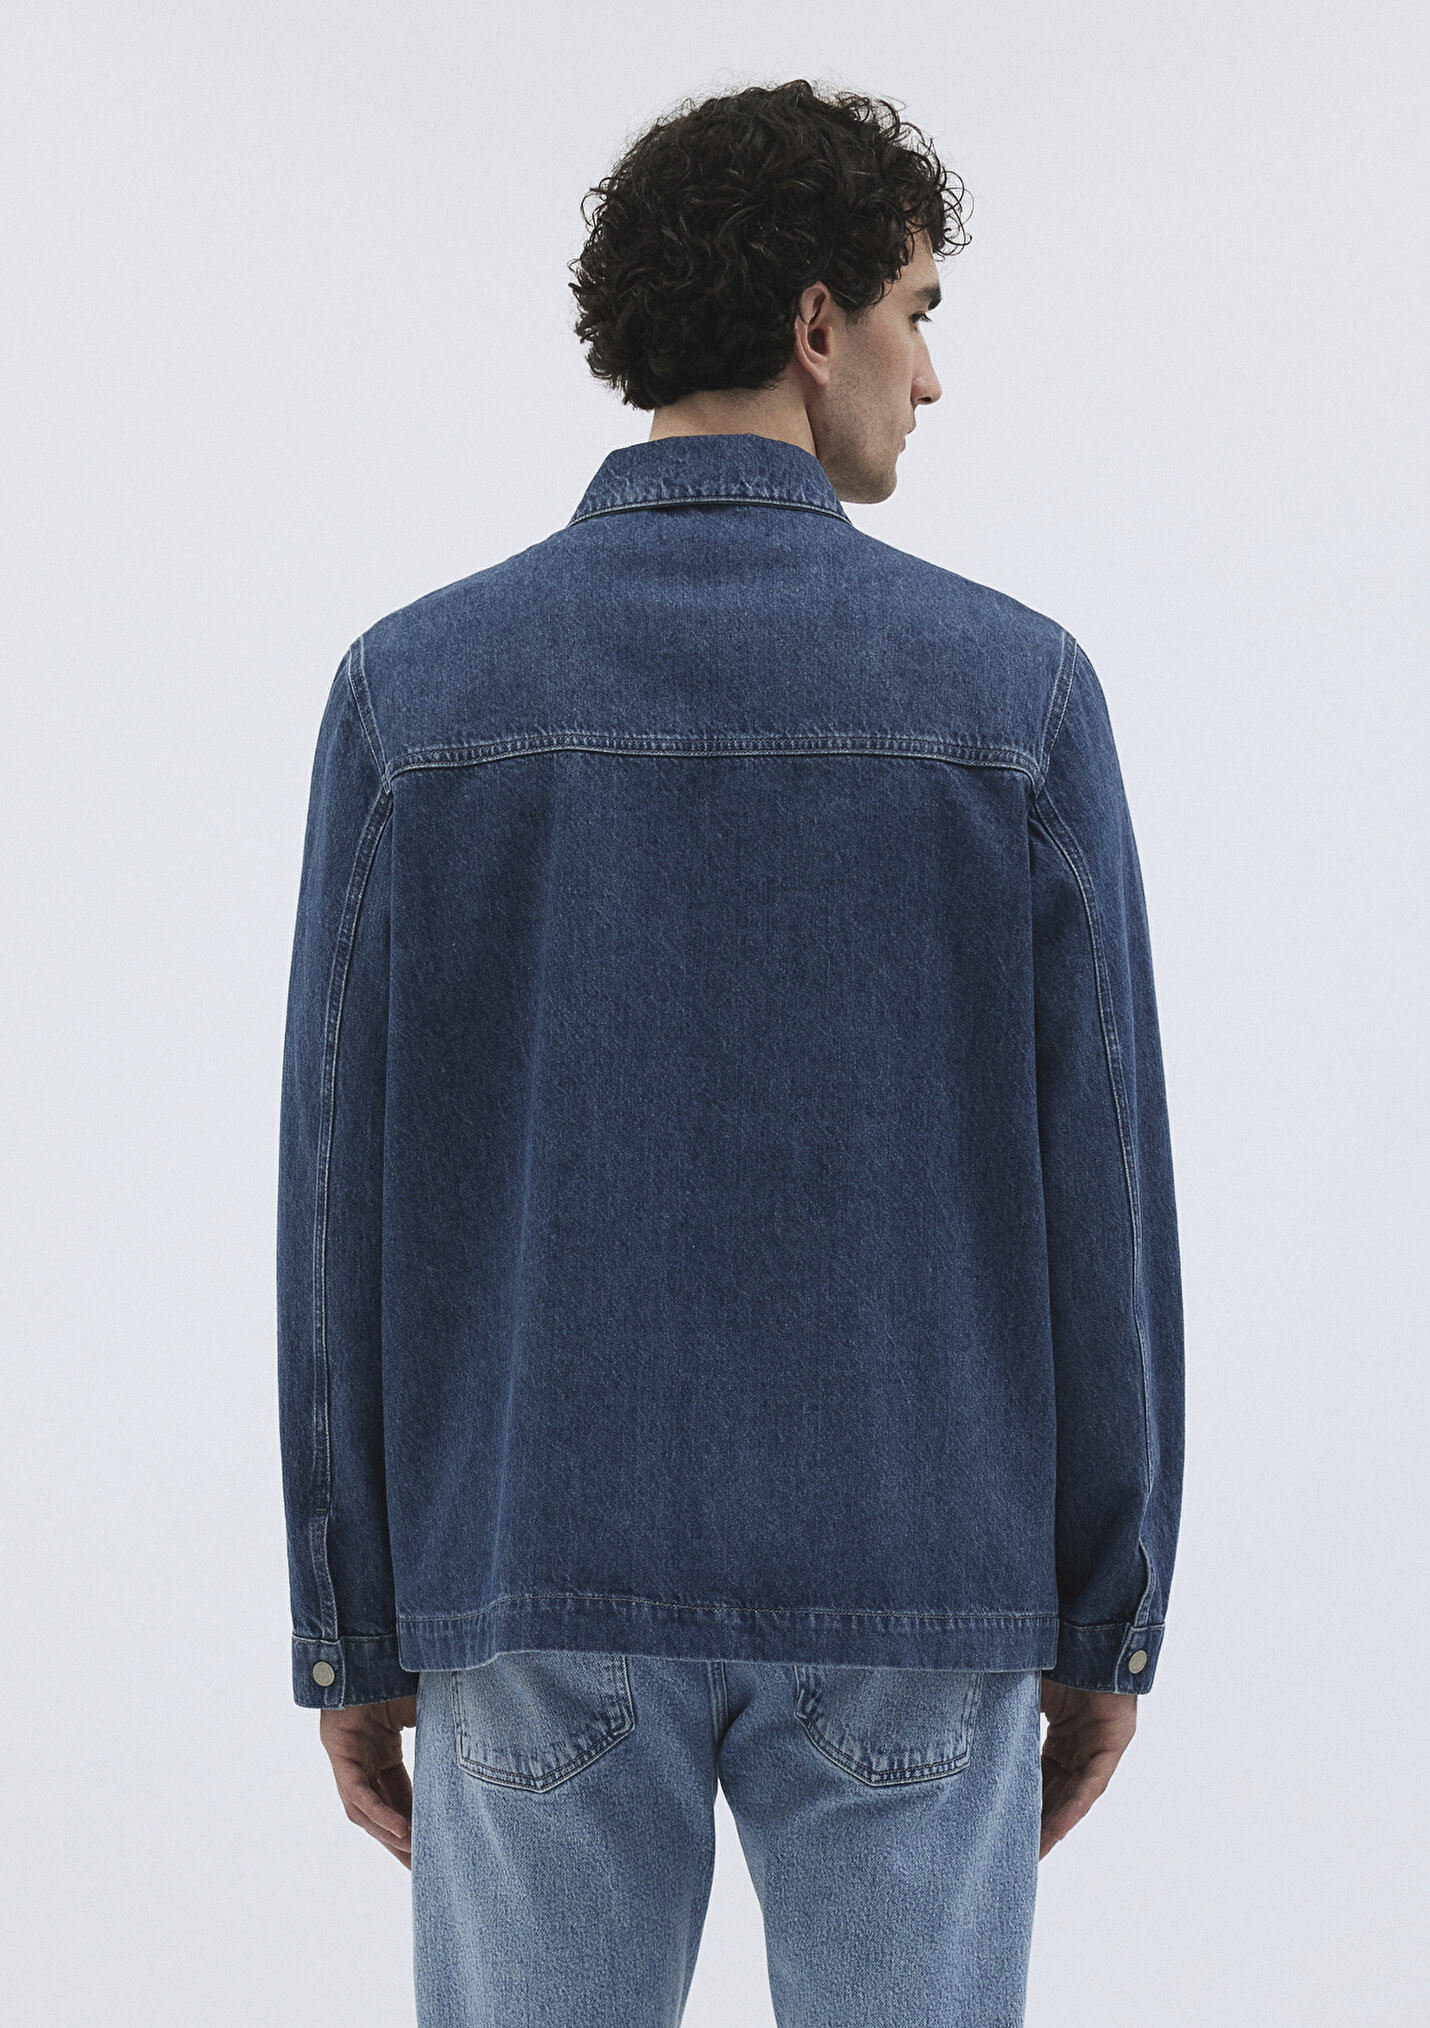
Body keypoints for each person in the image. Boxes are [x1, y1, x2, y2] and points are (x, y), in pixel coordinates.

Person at [276, 78, 1185, 2028]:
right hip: (916, 1560)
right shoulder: (1012, 695)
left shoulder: (416, 693)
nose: (929, 375)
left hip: (531, 1557)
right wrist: (1103, 1610)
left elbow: (339, 1183)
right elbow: (1098, 1181)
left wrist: (351, 1622)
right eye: (916, 314)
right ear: (813, 321)